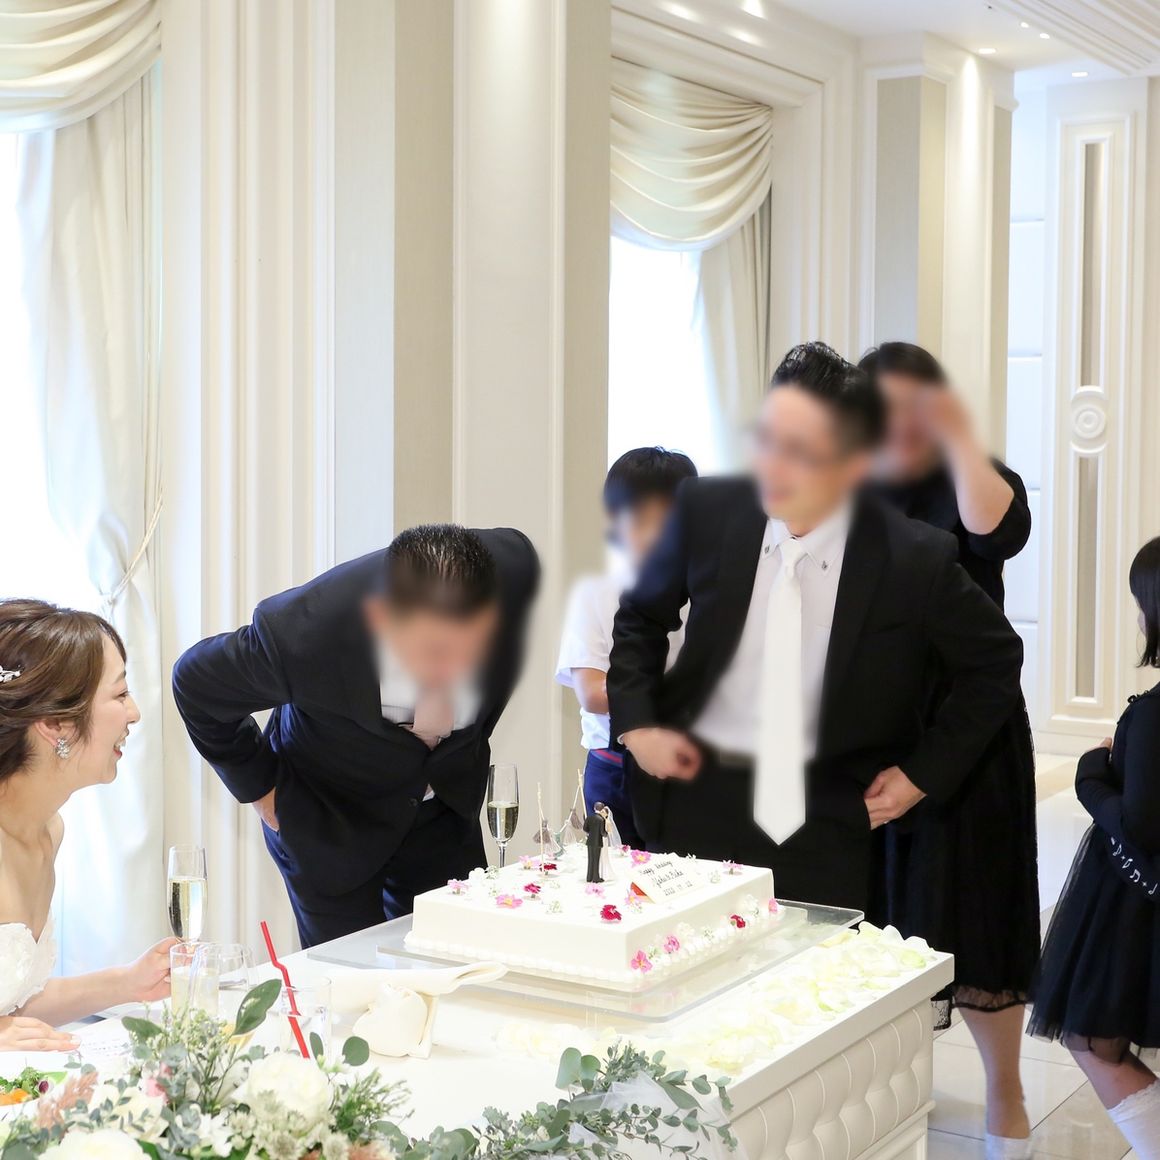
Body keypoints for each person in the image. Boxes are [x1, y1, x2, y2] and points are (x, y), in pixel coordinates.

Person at [607, 341, 1025, 914]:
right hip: (689, 808)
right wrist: (637, 725)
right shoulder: (706, 511)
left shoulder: (911, 557)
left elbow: (995, 661)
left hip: (829, 827)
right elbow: (640, 615)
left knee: (808, 971)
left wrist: (920, 776)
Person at [173, 524, 539, 948]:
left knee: (460, 958)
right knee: (351, 977)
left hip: (440, 814)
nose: (451, 673)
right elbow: (195, 685)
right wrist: (264, 793)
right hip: (330, 816)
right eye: (433, 652)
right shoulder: (306, 634)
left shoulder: (512, 571)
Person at [861, 342, 1040, 1156]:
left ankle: (1006, 1092)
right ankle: (890, 1095)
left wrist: (958, 436)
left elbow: (996, 533)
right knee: (884, 919)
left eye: (916, 406)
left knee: (979, 917)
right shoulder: (850, 488)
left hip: (972, 727)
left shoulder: (974, 477)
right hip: (880, 730)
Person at [1028, 537, 1160, 1160]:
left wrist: (1090, 775)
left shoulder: (1156, 714)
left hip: (1139, 905)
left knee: (1093, 1040)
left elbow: (1139, 826)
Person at [0, 600, 176, 1050]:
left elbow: (11, 1009)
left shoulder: (48, 831)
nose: (134, 712)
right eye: (120, 695)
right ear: (54, 723)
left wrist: (128, 982)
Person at [556, 447, 697, 849]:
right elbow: (592, 692)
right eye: (638, 520)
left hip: (687, 761)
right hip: (614, 765)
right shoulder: (596, 592)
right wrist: (681, 698)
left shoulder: (705, 592)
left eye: (666, 522)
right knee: (616, 875)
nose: (652, 535)